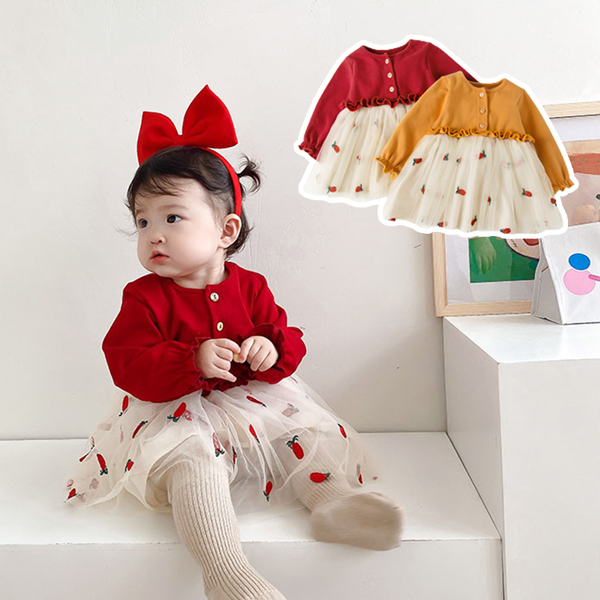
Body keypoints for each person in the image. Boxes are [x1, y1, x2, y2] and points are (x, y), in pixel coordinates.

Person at [65, 86, 402, 600]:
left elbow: (288, 339)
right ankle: (226, 572)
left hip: (253, 408)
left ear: (226, 230)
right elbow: (126, 362)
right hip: (176, 415)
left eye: (172, 217)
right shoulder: (143, 297)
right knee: (192, 460)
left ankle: (333, 502)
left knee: (301, 431)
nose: (153, 234)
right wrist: (191, 359)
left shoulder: (251, 286)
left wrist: (271, 349)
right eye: (142, 221)